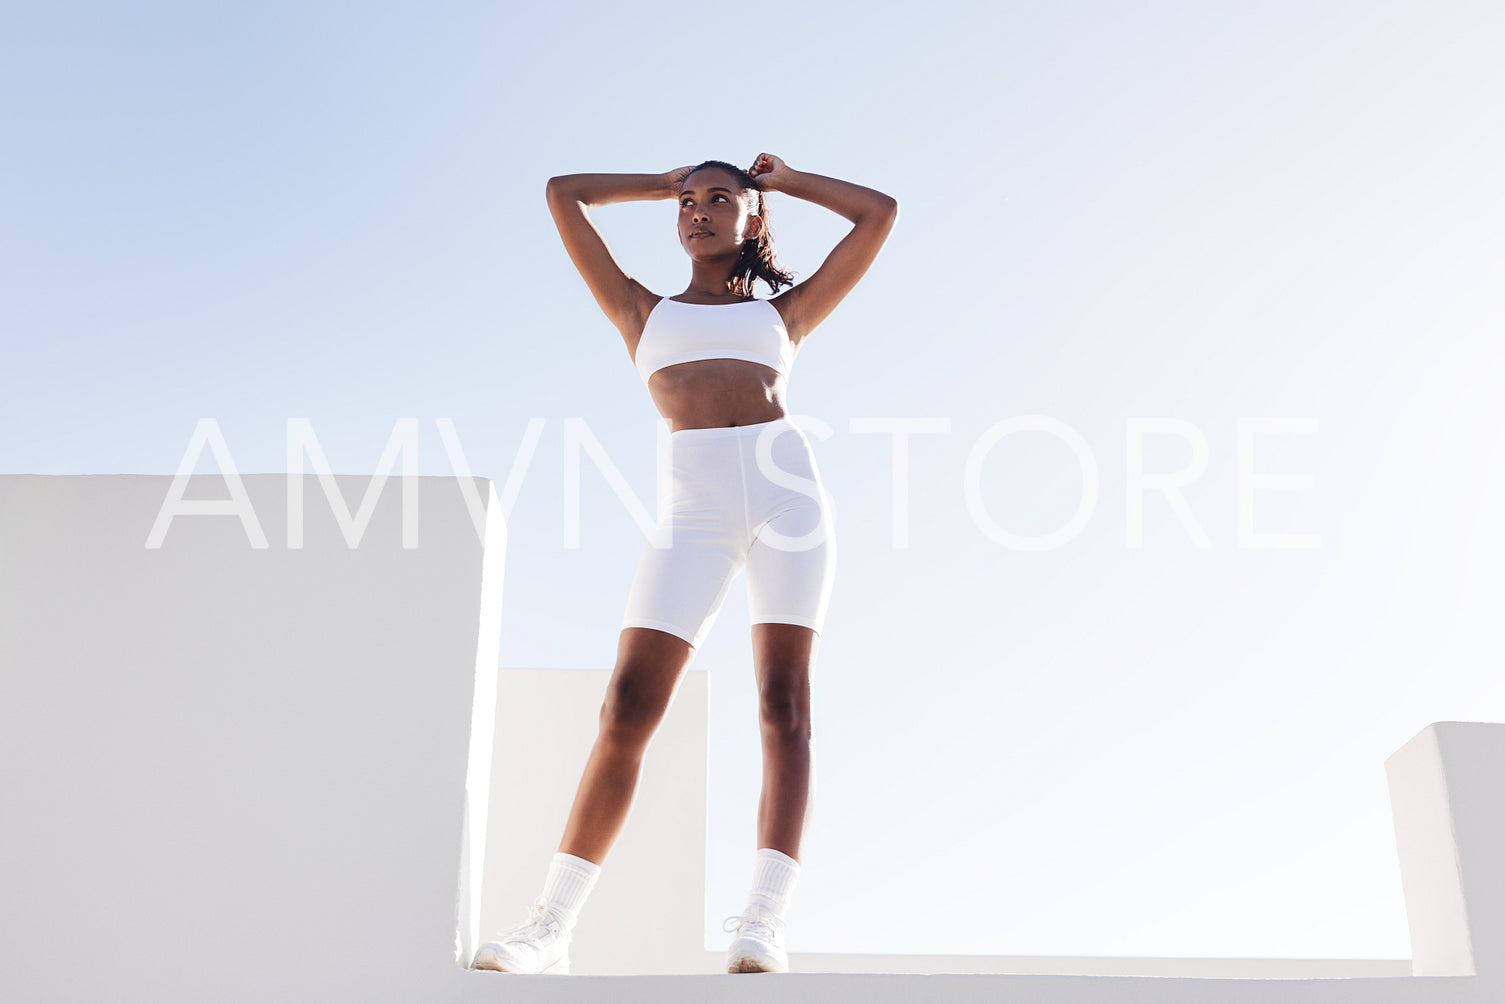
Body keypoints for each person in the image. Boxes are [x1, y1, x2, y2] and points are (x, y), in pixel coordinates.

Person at [472, 153, 898, 975]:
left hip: (787, 500)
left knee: (783, 705)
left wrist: (784, 179)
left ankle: (764, 922)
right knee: (626, 705)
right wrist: (658, 182)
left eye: (718, 200)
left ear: (750, 217)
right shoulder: (639, 309)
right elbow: (565, 194)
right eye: (688, 202)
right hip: (693, 514)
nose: (697, 212)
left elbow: (877, 213)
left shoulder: (788, 313)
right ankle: (549, 928)